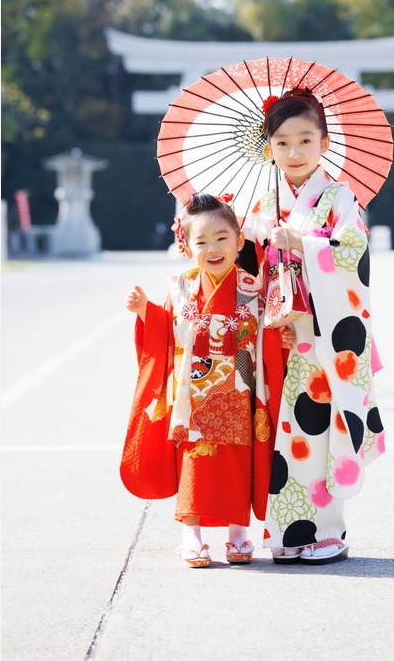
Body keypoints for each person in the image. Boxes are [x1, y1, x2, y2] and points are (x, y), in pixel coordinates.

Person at [244, 87, 387, 566]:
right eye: (282, 142)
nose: (294, 152)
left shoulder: (339, 197)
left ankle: (327, 531)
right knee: (284, 436)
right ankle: (287, 532)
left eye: (305, 140)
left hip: (325, 339)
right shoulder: (265, 203)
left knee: (320, 428)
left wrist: (303, 242)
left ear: (325, 143)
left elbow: (352, 253)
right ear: (269, 148)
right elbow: (250, 269)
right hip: (283, 336)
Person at [119, 193, 291, 567]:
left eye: (221, 238)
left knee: (237, 462)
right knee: (194, 460)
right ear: (186, 245)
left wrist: (283, 338)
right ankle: (191, 534)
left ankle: (237, 532)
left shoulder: (254, 288)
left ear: (239, 241)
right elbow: (166, 333)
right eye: (201, 241)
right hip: (193, 394)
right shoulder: (180, 287)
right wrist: (146, 311)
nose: (212, 249)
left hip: (241, 390)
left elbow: (269, 333)